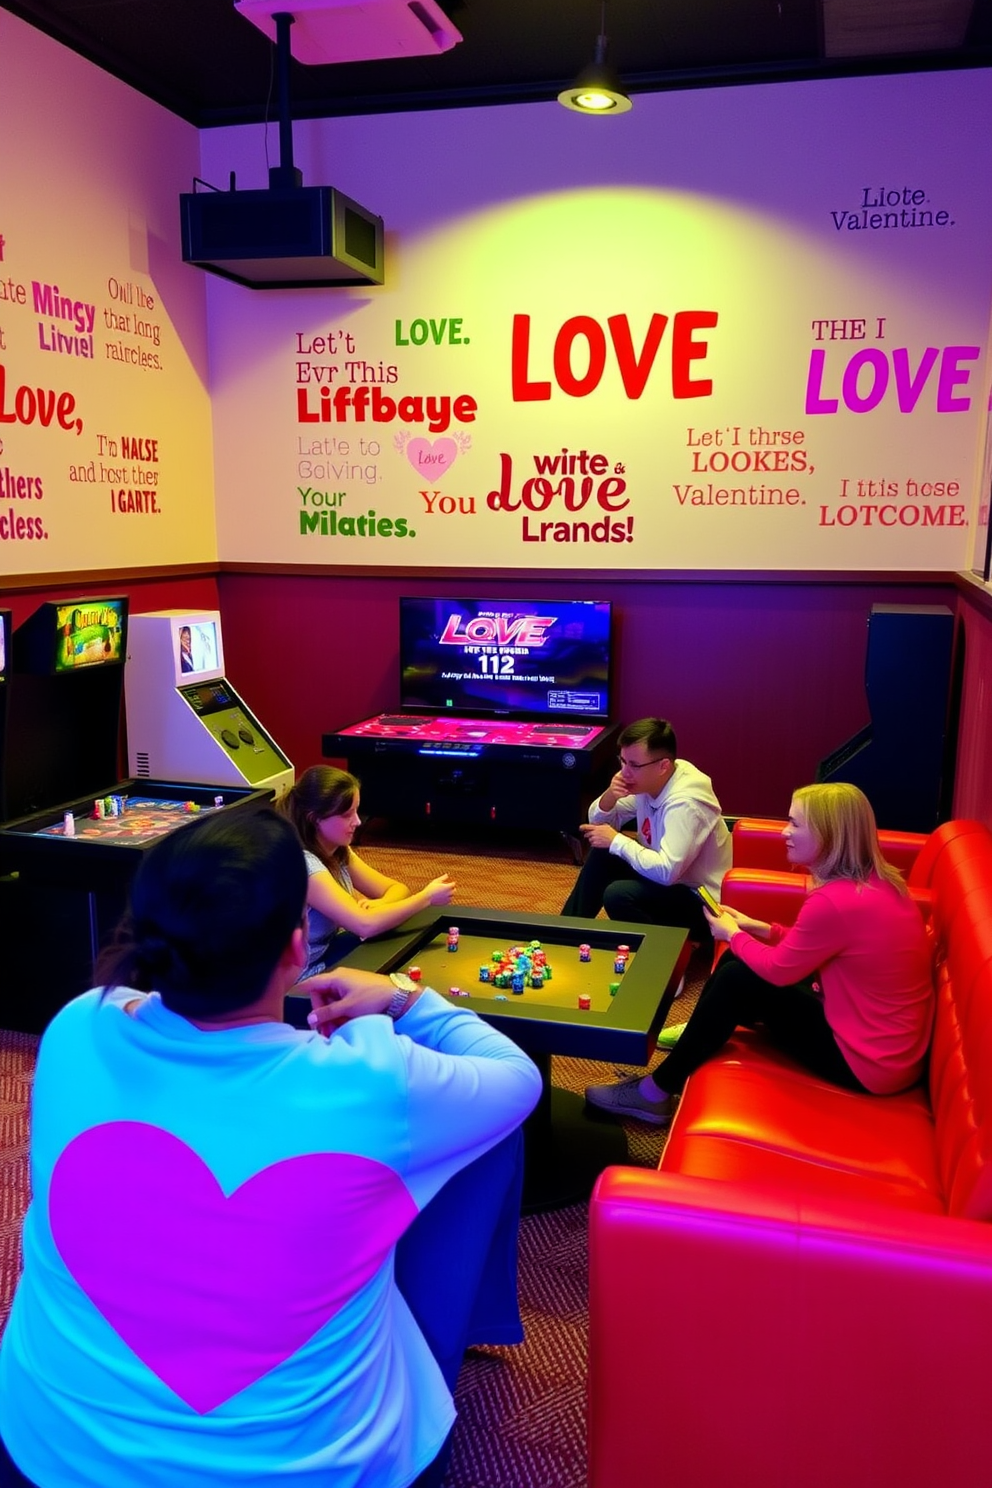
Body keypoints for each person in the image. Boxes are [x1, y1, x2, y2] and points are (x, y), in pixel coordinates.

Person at [0, 809, 541, 1488]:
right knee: (478, 1142)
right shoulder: (371, 1077)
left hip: (42, 1453)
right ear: (295, 948)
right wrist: (404, 1000)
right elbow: (520, 1079)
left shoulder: (76, 1027)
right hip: (318, 1472)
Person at [585, 782, 934, 1124]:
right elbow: (819, 947)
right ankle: (694, 1035)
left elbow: (780, 970)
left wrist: (732, 934)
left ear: (829, 835)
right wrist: (760, 928)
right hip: (885, 1049)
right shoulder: (877, 884)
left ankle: (654, 1093)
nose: (785, 832)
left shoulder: (835, 902)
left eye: (795, 823)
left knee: (738, 977)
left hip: (867, 1064)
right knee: (737, 964)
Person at [561, 716, 731, 944]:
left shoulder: (686, 803)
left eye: (634, 765)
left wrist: (617, 841)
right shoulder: (650, 782)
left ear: (663, 766)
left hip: (703, 903)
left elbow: (668, 872)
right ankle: (565, 931)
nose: (624, 772)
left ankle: (667, 952)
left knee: (619, 895)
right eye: (622, 761)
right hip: (671, 884)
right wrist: (610, 795)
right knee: (604, 854)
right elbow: (600, 822)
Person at [281, 765, 456, 976]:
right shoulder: (306, 866)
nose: (357, 821)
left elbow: (396, 888)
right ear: (315, 819)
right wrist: (426, 897)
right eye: (347, 815)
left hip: (324, 955)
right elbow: (364, 926)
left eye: (356, 811)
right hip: (297, 980)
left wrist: (380, 904)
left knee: (391, 932)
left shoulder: (338, 851)